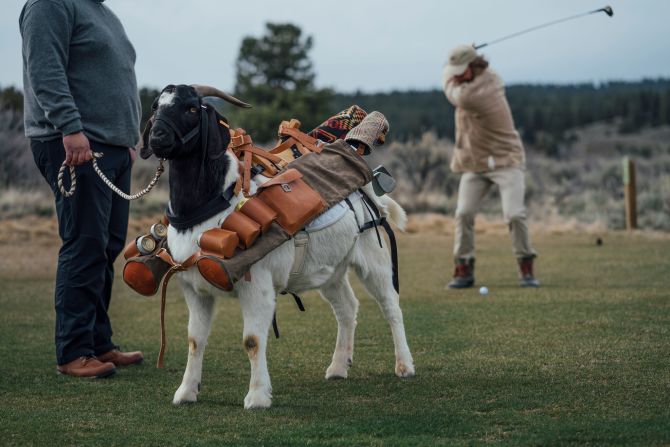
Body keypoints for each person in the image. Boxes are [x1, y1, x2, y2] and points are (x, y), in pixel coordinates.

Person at [20, 0, 144, 378]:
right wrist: (70, 129)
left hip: (111, 147)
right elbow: (45, 71)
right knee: (84, 244)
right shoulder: (50, 5)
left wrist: (126, 140)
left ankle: (98, 342)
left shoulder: (101, 12)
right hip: (74, 143)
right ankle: (73, 352)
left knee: (105, 248)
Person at [442, 44, 540, 289]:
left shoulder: (482, 89)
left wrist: (449, 71)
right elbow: (452, 75)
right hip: (475, 163)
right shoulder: (469, 75)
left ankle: (525, 265)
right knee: (463, 213)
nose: (454, 75)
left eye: (460, 70)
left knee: (514, 214)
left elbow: (453, 91)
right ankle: (463, 268)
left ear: (474, 66)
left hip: (506, 159)